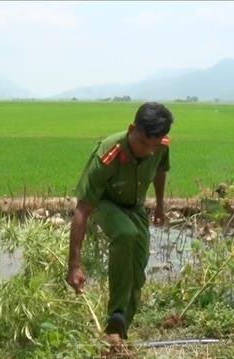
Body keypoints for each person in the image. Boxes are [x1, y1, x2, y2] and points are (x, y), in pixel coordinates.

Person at [66, 102, 173, 340]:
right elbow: (82, 209)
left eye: (154, 146)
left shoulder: (160, 146)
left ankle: (119, 331)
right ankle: (115, 312)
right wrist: (74, 265)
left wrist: (160, 205)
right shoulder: (108, 153)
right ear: (132, 128)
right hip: (103, 204)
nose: (148, 152)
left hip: (135, 207)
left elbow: (159, 171)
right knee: (125, 234)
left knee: (137, 269)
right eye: (144, 143)